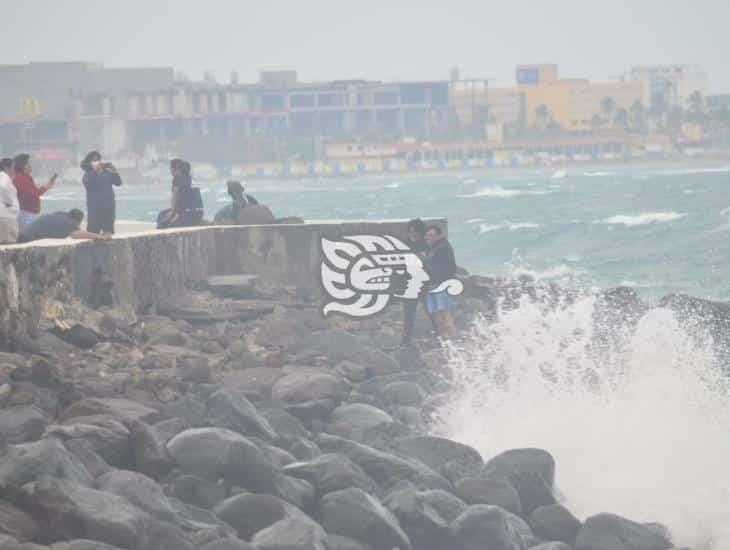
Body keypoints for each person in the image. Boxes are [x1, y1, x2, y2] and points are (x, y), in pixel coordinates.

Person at [423, 225, 457, 340]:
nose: (428, 238)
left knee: (444, 312)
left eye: (432, 236)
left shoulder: (443, 247)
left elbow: (448, 268)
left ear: (439, 236)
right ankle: (443, 336)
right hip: (433, 284)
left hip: (441, 284)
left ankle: (450, 336)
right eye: (427, 235)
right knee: (436, 313)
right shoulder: (433, 248)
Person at [401, 218, 430, 346]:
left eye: (415, 232)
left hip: (425, 283)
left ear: (421, 233)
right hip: (411, 284)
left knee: (431, 311)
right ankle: (406, 341)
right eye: (410, 232)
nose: (412, 234)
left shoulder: (427, 246)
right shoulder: (404, 244)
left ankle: (440, 336)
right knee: (409, 314)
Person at [12, 153, 57, 231]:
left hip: (29, 213)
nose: (31, 165)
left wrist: (46, 186)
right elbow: (32, 194)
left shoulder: (25, 177)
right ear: (24, 165)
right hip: (26, 213)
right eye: (29, 162)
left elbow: (34, 193)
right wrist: (45, 187)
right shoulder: (20, 178)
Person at [81, 151, 122, 234]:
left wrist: (114, 171)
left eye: (98, 160)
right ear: (89, 163)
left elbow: (118, 182)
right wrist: (95, 171)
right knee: (93, 233)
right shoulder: (87, 175)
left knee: (108, 232)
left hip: (109, 208)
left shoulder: (107, 173)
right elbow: (88, 184)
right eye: (94, 160)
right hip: (95, 210)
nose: (97, 162)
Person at [18, 209, 111, 243]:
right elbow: (76, 234)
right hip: (28, 240)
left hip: (22, 235)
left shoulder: (60, 215)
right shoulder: (68, 223)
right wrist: (99, 236)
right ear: (76, 221)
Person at [0, 159, 19, 244]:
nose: (14, 170)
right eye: (13, 167)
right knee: (9, 245)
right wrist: (9, 202)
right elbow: (3, 187)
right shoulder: (4, 176)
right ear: (6, 168)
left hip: (4, 216)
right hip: (7, 217)